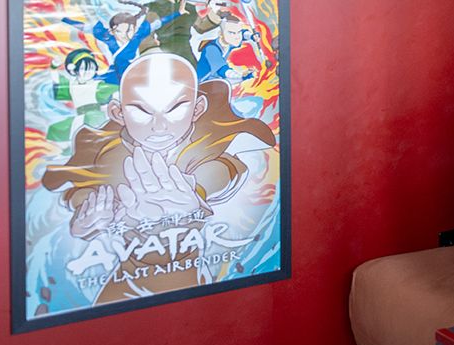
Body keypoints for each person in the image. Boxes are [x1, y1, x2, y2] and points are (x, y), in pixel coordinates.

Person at [41, 51, 277, 304]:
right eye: (142, 111)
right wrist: (87, 218)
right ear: (118, 113)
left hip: (190, 279)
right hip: (125, 281)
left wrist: (194, 194)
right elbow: (83, 186)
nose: (159, 126)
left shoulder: (208, 143)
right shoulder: (108, 153)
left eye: (175, 108)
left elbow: (224, 169)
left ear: (197, 108)